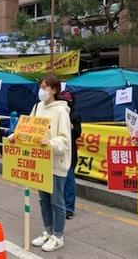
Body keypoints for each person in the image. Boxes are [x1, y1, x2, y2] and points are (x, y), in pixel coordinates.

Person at [10, 74, 71, 252]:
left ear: (54, 89)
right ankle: (48, 230)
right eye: (41, 87)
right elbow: (27, 129)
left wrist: (50, 143)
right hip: (40, 161)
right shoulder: (37, 107)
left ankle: (58, 236)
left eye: (45, 87)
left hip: (56, 163)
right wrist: (15, 136)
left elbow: (65, 141)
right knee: (44, 200)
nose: (41, 91)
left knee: (57, 201)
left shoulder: (61, 111)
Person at [59, 90, 82, 220]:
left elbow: (78, 133)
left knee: (69, 180)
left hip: (69, 152)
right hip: (57, 151)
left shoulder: (74, 115)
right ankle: (58, 205)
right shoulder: (57, 113)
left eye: (67, 102)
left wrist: (72, 127)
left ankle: (69, 208)